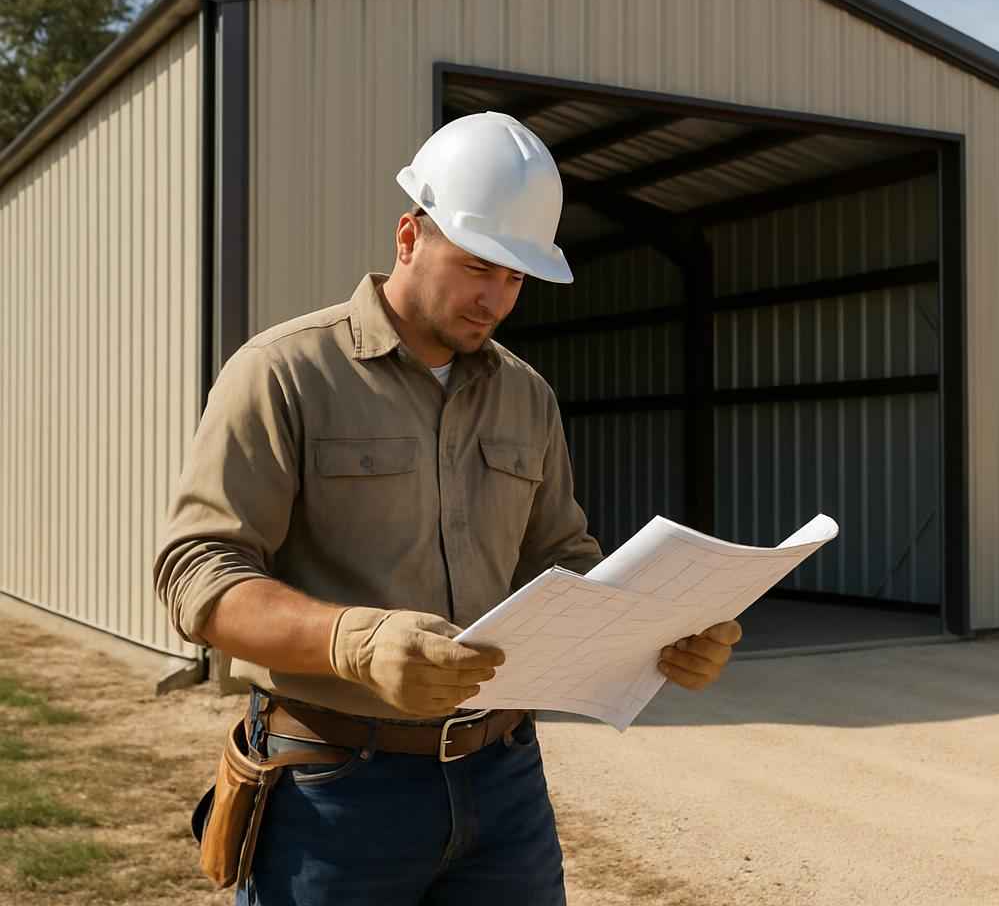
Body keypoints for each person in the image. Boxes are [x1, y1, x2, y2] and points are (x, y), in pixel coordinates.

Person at [154, 111, 742, 906]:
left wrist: (657, 632)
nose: (495, 300)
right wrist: (351, 641)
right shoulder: (283, 374)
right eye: (476, 267)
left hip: (502, 784)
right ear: (407, 237)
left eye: (514, 278)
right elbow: (198, 575)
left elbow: (561, 563)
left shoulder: (527, 398)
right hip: (333, 790)